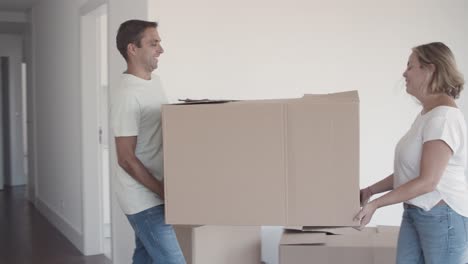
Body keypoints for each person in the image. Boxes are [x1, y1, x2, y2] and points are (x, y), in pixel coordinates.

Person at [355, 42, 468, 264]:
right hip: (416, 212)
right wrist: (370, 191)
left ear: (430, 69)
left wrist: (376, 204)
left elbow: (427, 182)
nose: (404, 73)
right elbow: (409, 173)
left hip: (442, 217)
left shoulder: (443, 118)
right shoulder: (427, 115)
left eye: (410, 66)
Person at [112, 19, 186, 264]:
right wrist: (163, 191)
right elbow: (125, 158)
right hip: (143, 199)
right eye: (153, 44)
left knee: (145, 257)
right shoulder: (127, 94)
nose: (161, 50)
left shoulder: (155, 82)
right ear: (133, 49)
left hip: (157, 190)